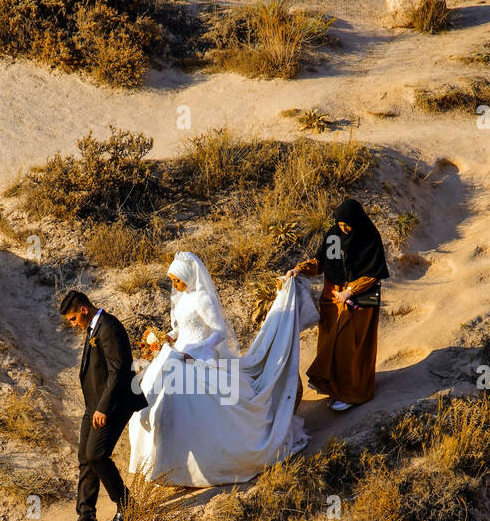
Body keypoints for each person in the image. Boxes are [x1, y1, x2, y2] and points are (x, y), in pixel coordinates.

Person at [128, 251, 315, 487]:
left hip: (199, 357)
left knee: (200, 407)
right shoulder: (182, 298)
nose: (175, 285)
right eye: (173, 280)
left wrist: (196, 350)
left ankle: (201, 465)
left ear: (189, 276)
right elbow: (180, 328)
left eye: (178, 280)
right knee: (157, 400)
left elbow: (218, 332)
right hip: (176, 356)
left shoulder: (203, 299)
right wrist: (167, 336)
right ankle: (166, 464)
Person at [57, 290, 146, 521]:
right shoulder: (93, 327)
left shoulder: (109, 326)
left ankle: (127, 507)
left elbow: (118, 372)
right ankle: (87, 518)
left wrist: (103, 408)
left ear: (83, 310)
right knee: (85, 457)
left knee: (97, 454)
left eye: (73, 319)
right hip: (93, 405)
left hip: (112, 404)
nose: (73, 324)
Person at [285, 198, 389, 411]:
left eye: (348, 224)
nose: (344, 228)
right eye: (341, 224)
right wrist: (299, 269)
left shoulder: (369, 237)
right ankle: (336, 390)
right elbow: (320, 262)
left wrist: (350, 291)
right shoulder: (334, 235)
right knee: (330, 346)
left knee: (350, 348)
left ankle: (353, 394)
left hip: (359, 300)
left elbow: (372, 274)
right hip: (332, 298)